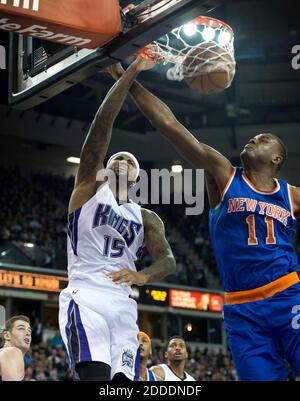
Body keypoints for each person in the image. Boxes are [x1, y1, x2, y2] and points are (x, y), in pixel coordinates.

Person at [108, 62, 300, 381]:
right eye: (253, 137)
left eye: (262, 139)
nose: (253, 139)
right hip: (242, 311)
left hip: (288, 296)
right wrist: (127, 79)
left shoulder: (291, 196)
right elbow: (169, 125)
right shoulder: (224, 175)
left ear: (276, 158)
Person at [58, 57, 176, 382]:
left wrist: (144, 276)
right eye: (116, 158)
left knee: (123, 386)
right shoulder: (87, 190)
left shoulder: (147, 218)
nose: (122, 161)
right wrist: (132, 71)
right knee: (96, 379)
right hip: (88, 295)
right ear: (104, 169)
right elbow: (101, 125)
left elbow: (168, 260)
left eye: (129, 160)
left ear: (137, 179)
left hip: (124, 306)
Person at [0, 315, 32, 381]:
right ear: (7, 335)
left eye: (29, 330)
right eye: (21, 328)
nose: (28, 333)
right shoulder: (12, 351)